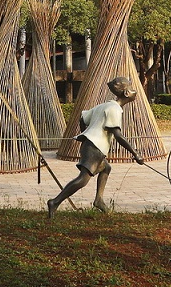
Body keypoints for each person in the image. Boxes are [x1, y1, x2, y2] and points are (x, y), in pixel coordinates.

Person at [47, 76, 146, 213]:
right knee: (83, 179)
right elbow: (118, 135)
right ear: (126, 93)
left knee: (106, 168)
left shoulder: (104, 105)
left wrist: (86, 133)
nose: (135, 92)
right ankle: (55, 202)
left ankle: (99, 200)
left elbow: (83, 118)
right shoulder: (114, 109)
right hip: (95, 147)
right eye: (132, 89)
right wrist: (136, 153)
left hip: (91, 145)